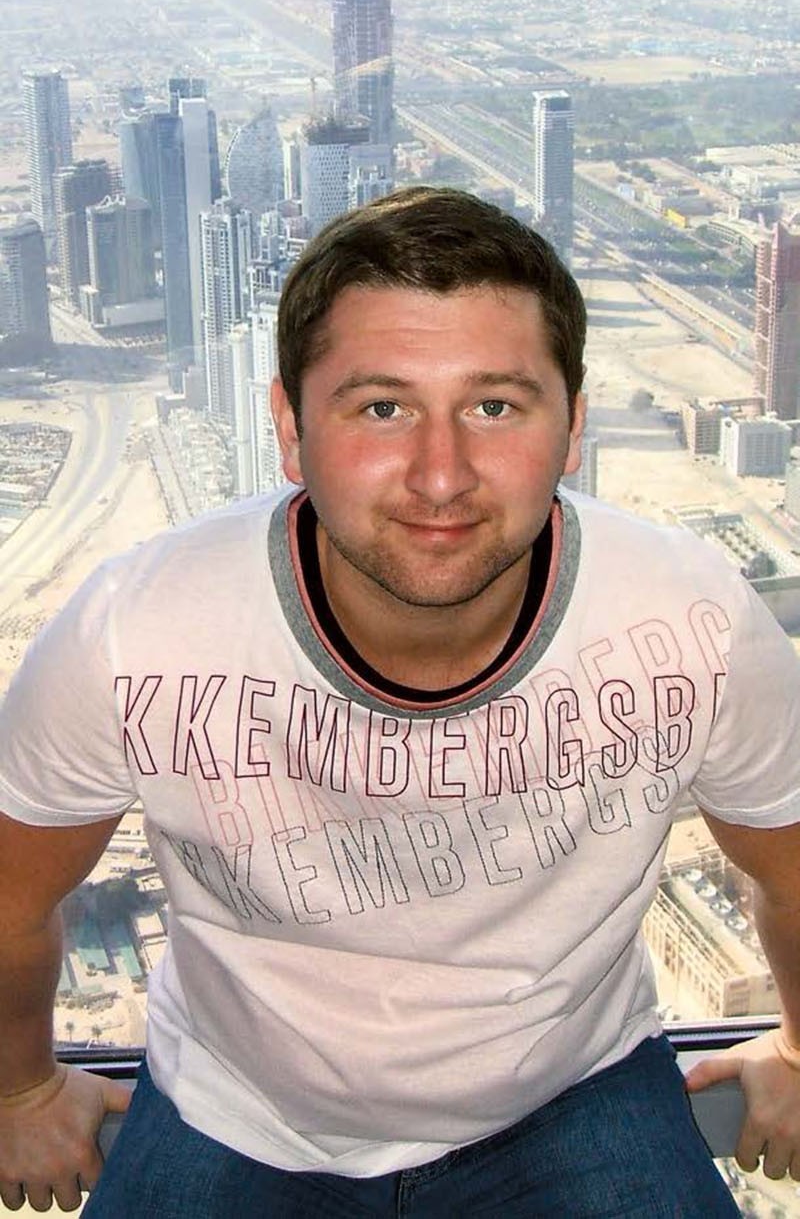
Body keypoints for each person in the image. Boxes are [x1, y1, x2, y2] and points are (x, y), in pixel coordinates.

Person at [0, 186, 799, 1218]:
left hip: (575, 1086)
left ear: (572, 427)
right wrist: (20, 1089)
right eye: (382, 407)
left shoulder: (690, 619)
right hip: (237, 1108)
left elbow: (789, 866)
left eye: (494, 406)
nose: (440, 476)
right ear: (290, 428)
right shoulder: (136, 628)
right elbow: (11, 895)